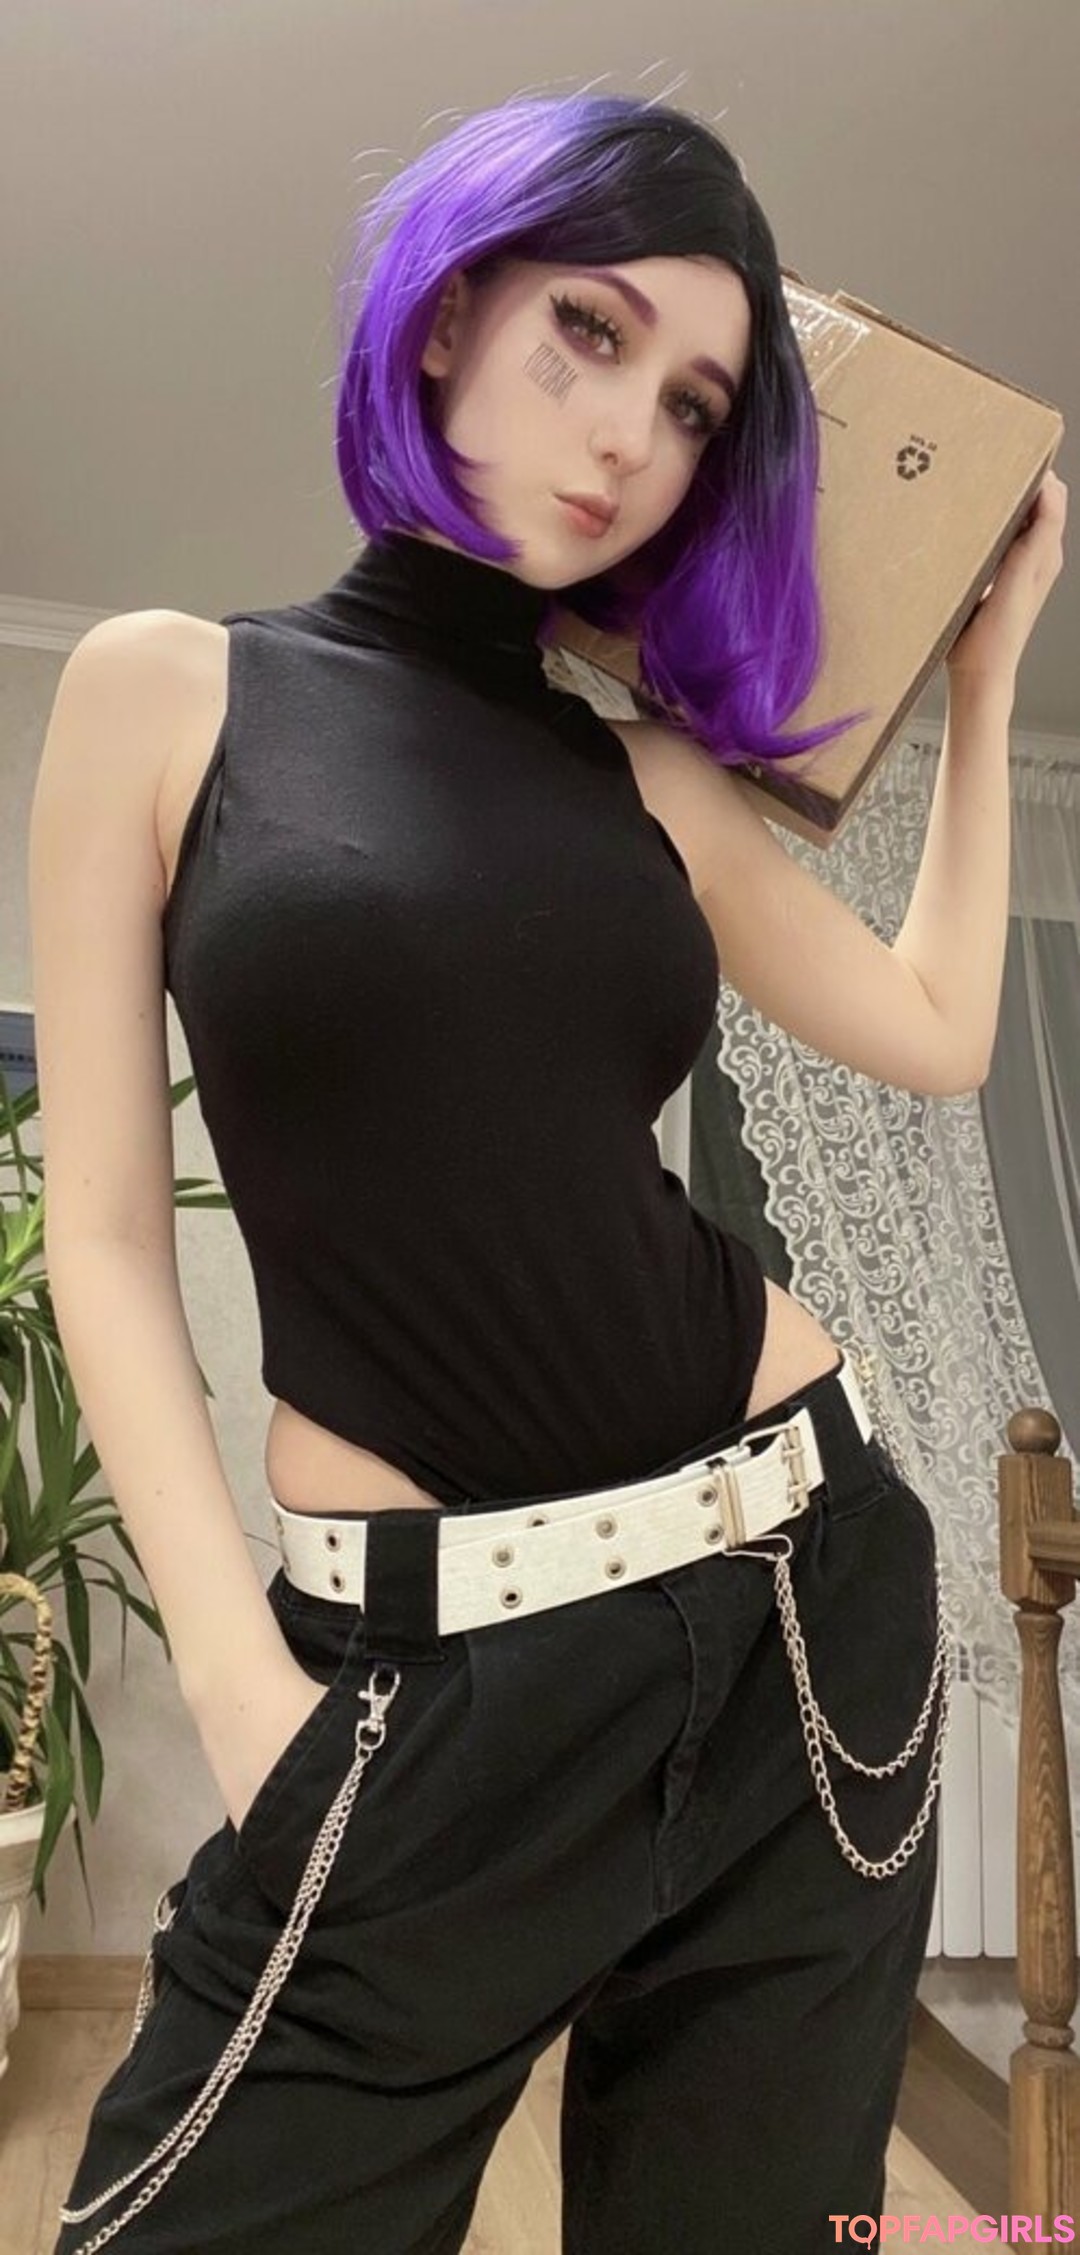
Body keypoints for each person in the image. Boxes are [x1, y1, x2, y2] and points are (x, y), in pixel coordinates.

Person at [30, 87, 1065, 2255]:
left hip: (801, 1613)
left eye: (692, 406)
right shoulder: (166, 692)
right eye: (589, 331)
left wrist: (989, 687)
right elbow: (106, 1240)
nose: (627, 436)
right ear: (446, 316)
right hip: (420, 1677)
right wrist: (236, 1685)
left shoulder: (655, 781)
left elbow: (940, 1028)